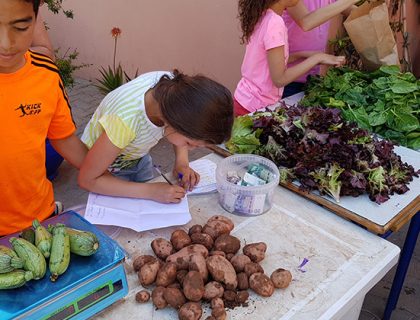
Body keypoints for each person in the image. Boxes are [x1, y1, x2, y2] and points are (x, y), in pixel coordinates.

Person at [78, 70, 233, 204]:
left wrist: (182, 163)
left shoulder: (175, 90)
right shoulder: (125, 121)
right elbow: (88, 180)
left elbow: (183, 126)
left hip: (137, 155)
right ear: (175, 122)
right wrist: (150, 191)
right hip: (105, 167)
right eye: (189, 143)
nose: (190, 149)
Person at [0, 0, 87, 236]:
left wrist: (103, 173)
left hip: (39, 221)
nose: (5, 44)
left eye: (20, 27)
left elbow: (64, 139)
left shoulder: (45, 75)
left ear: (35, 22)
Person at [234, 0, 346, 116]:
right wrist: (316, 58)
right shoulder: (275, 24)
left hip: (245, 100)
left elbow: (271, 62)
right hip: (255, 107)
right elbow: (279, 79)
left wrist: (305, 55)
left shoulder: (264, 16)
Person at [282, 0, 356, 97]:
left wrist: (376, 8)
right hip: (289, 76)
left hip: (314, 76)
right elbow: (306, 22)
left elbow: (354, 12)